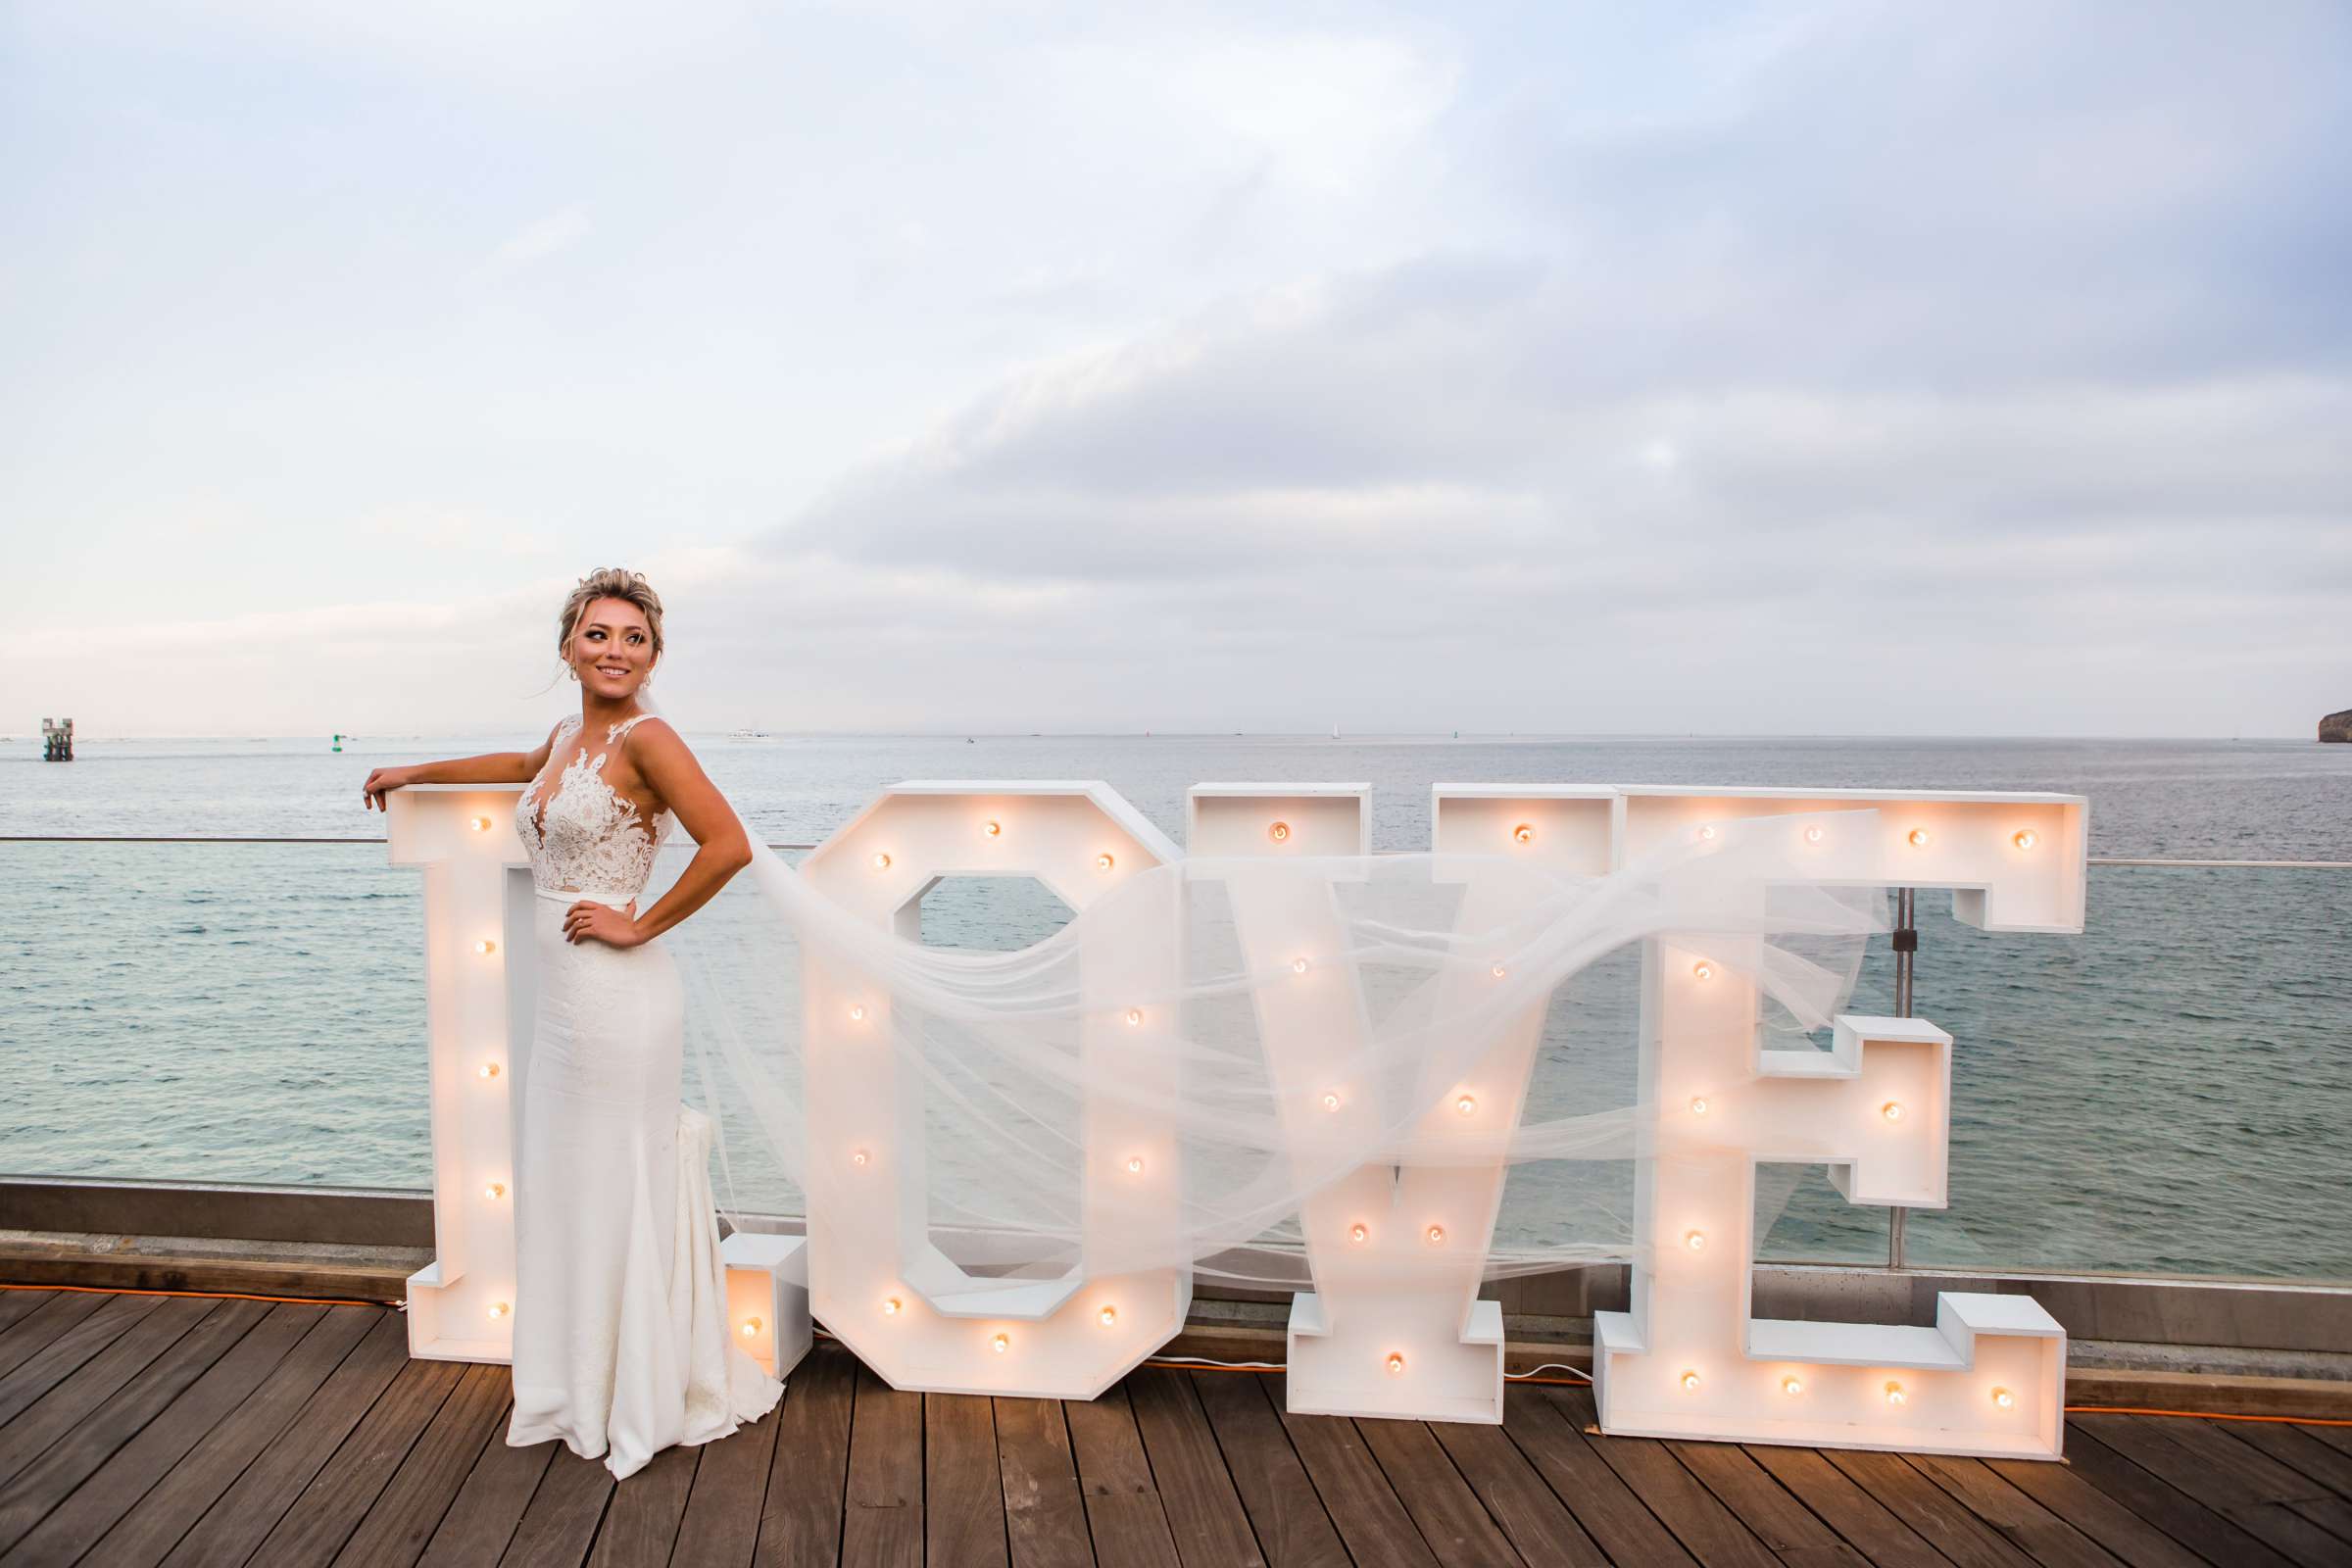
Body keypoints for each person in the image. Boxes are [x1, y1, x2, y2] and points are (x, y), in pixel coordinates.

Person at [361, 566, 783, 1481]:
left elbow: (730, 845)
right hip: (565, 1004)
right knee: (572, 1181)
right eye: (599, 635)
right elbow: (519, 769)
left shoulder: (650, 740)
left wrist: (637, 920)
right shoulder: (565, 737)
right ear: (568, 649)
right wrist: (416, 772)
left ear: (654, 655)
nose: (616, 651)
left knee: (616, 1178)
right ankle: (581, 1381)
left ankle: (635, 1387)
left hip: (621, 994)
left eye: (635, 638)